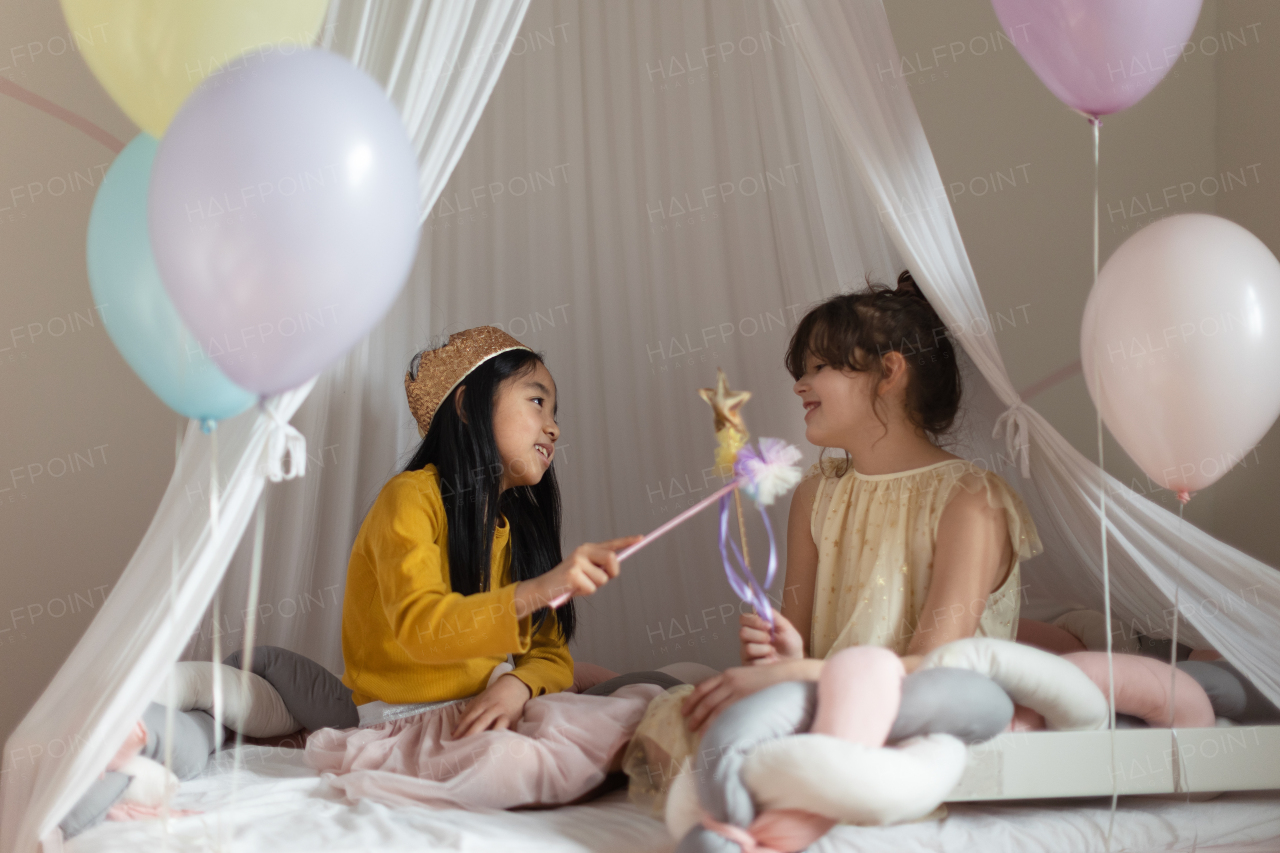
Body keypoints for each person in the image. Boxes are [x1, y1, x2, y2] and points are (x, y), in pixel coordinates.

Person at [681, 272, 1043, 733]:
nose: (799, 385)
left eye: (818, 367)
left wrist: (799, 673)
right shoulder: (816, 495)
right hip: (832, 705)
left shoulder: (972, 502)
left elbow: (932, 670)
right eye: (802, 371)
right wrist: (786, 657)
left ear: (889, 372)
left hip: (922, 717)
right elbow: (800, 649)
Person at [338, 326, 640, 737]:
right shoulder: (409, 498)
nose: (554, 429)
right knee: (600, 732)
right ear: (467, 407)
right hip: (406, 722)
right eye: (537, 402)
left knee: (647, 694)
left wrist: (517, 686)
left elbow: (550, 654)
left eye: (555, 413)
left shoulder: (520, 531)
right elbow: (422, 629)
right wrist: (542, 588)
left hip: (492, 705)